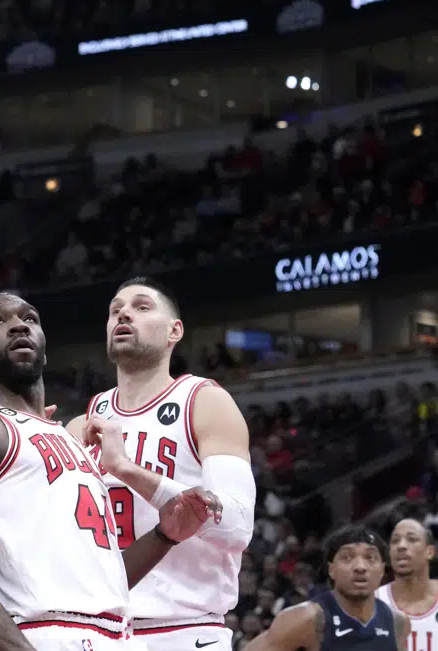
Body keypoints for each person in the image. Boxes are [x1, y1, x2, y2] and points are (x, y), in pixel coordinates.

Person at [0, 292, 222, 651]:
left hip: (119, 635)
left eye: (29, 318)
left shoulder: (71, 440)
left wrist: (165, 534)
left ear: (45, 350)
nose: (19, 325)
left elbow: (103, 582)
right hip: (44, 634)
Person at [66, 276, 255, 651]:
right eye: (115, 310)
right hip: (98, 633)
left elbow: (236, 527)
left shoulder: (203, 402)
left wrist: (128, 471)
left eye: (141, 306)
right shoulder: (80, 425)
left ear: (175, 331)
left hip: (184, 630)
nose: (124, 314)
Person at [244, 524, 408, 651]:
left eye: (370, 558)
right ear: (331, 569)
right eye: (347, 557)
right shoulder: (307, 619)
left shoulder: (398, 623)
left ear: (382, 570)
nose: (360, 567)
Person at [377, 518, 438, 651]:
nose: (401, 546)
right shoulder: (373, 602)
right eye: (395, 541)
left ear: (430, 552)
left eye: (411, 539)